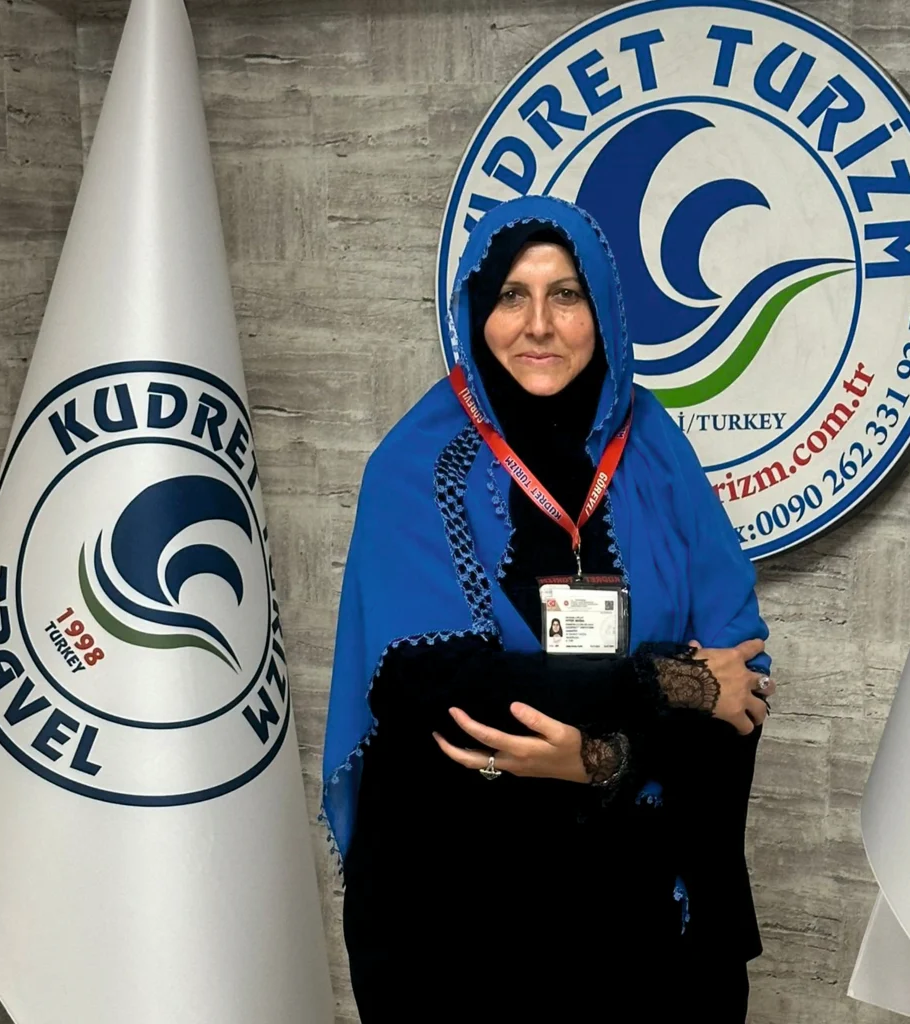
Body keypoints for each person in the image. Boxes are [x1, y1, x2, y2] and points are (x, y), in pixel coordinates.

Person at [322, 195, 774, 1021]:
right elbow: (439, 686)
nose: (538, 325)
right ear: (476, 313)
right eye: (511, 296)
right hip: (456, 920)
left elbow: (740, 683)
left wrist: (600, 759)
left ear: (603, 311)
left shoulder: (656, 452)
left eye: (565, 294)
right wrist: (661, 683)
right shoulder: (418, 464)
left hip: (640, 917)